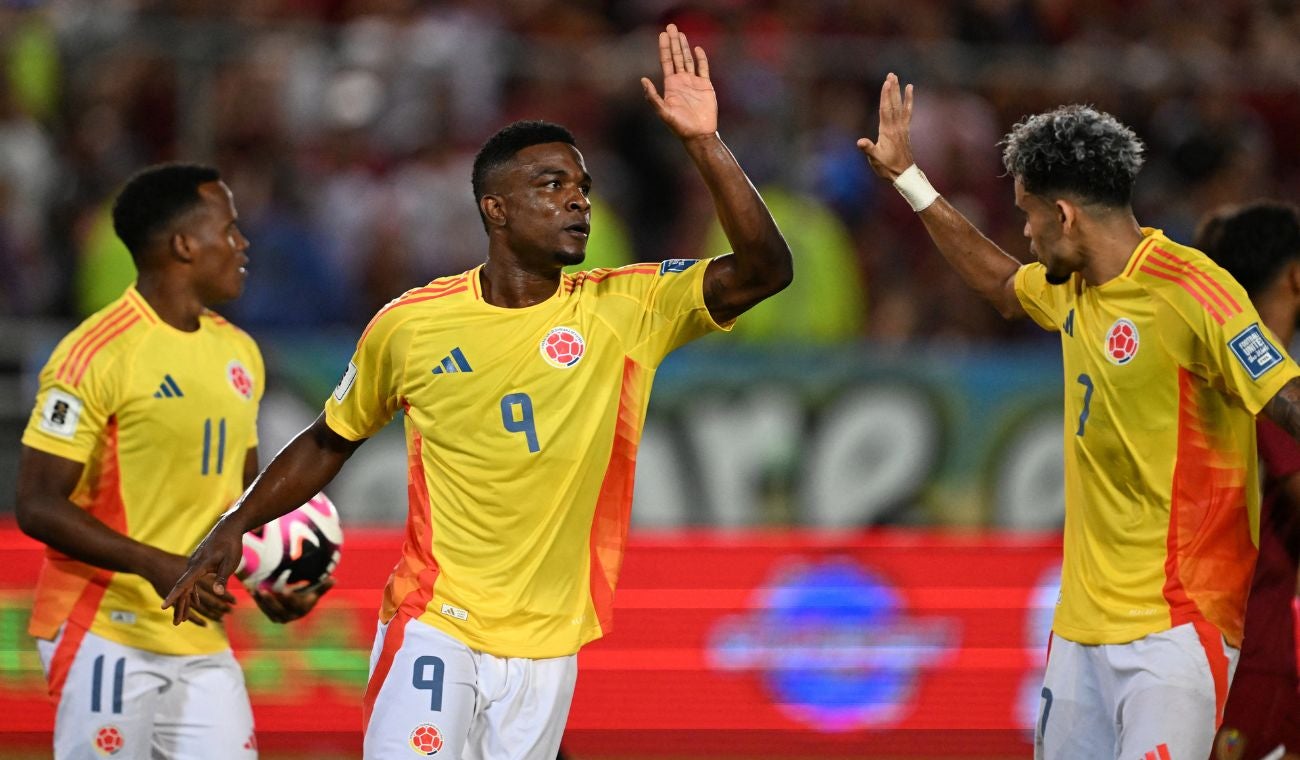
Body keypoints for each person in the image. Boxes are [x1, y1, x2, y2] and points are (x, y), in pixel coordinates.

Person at [164, 24, 791, 760]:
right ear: (496, 209)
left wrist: (704, 143)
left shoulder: (628, 307)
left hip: (549, 644)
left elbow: (764, 271)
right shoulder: (414, 324)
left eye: (582, 187)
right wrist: (235, 525)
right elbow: (332, 438)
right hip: (439, 620)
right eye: (551, 185)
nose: (577, 202)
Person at [856, 74, 1300, 759]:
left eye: (1026, 215)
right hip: (1079, 636)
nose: (1023, 232)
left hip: (1177, 634)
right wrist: (909, 180)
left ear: (1064, 216)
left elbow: (1284, 399)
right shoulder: (1073, 289)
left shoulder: (1194, 294)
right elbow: (1003, 286)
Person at [15, 163, 329, 760]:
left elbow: (243, 497)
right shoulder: (94, 354)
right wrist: (155, 564)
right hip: (103, 628)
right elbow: (36, 503)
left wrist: (273, 575)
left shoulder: (240, 351)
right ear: (184, 244)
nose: (244, 244)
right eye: (230, 229)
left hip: (197, 634)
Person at [1197, 202, 1300, 760]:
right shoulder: (1273, 385)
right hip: (1253, 657)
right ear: (1296, 277)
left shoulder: (1207, 369)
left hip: (1205, 647)